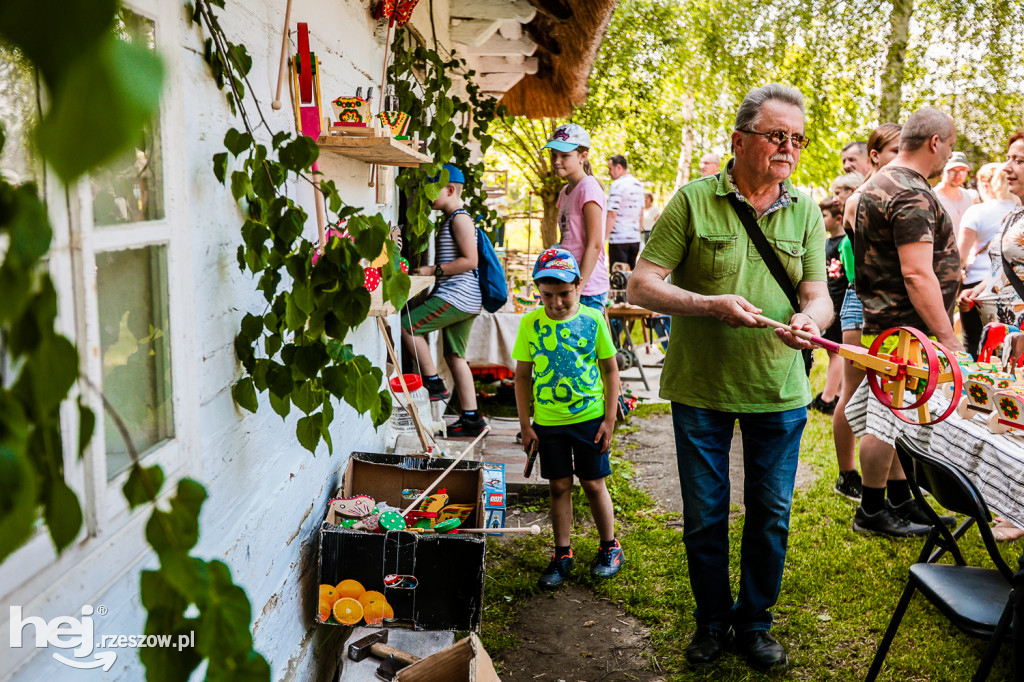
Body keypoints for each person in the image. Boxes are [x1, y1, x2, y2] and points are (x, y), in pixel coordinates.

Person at [627, 83, 832, 671]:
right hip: (702, 389)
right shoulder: (693, 201)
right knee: (705, 514)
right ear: (739, 141)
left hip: (780, 388)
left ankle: (756, 623)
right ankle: (711, 623)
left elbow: (818, 295)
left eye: (796, 139)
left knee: (771, 515)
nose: (787, 148)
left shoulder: (806, 211)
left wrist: (807, 320)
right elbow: (642, 285)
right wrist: (709, 304)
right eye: (776, 136)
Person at [853, 108, 964, 537]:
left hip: (891, 323)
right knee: (885, 418)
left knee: (899, 416)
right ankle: (873, 509)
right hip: (902, 327)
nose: (949, 154)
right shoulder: (910, 192)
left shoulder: (879, 182)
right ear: (935, 142)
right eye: (950, 145)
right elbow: (917, 273)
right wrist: (949, 338)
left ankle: (901, 498)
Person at [513, 248, 623, 588]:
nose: (556, 302)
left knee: (593, 483)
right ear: (537, 290)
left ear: (578, 285)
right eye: (547, 295)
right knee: (558, 485)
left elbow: (610, 370)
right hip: (548, 423)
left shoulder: (593, 320)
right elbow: (521, 377)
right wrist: (526, 425)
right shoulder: (530, 323)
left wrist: (609, 419)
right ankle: (562, 554)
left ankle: (609, 547)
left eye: (564, 293)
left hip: (589, 419)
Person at [831, 123, 902, 500]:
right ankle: (847, 474)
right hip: (862, 303)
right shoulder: (863, 197)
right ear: (874, 156)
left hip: (881, 305)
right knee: (854, 391)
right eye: (894, 152)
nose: (901, 160)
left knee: (889, 396)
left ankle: (896, 487)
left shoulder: (888, 192)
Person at [401, 164, 487, 438]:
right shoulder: (453, 219)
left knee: (408, 326)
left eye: (432, 188)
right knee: (455, 356)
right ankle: (472, 418)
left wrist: (432, 270)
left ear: (450, 190)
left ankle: (434, 384)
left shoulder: (460, 219)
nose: (427, 194)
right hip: (467, 299)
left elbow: (470, 261)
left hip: (458, 296)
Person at [956, 163, 1019, 357]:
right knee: (1008, 350)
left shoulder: (978, 211)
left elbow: (961, 255)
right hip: (1008, 288)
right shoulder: (1015, 211)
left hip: (979, 285)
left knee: (974, 344)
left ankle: (972, 385)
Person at [544, 124, 609, 310]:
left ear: (583, 156)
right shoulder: (565, 192)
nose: (557, 161)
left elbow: (595, 244)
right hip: (566, 285)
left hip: (587, 290)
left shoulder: (588, 188)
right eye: (554, 155)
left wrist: (578, 288)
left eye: (565, 156)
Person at [810, 197, 849, 415]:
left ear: (838, 219)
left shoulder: (845, 243)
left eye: (824, 215)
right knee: (832, 350)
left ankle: (828, 398)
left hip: (842, 305)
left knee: (837, 352)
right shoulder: (826, 243)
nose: (820, 218)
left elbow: (852, 276)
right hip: (829, 302)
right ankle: (837, 394)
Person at [605, 154, 645, 269]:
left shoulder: (617, 185)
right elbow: (641, 214)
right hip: (634, 240)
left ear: (618, 167)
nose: (609, 172)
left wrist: (603, 239)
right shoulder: (639, 185)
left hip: (619, 240)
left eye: (610, 168)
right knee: (629, 278)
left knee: (618, 280)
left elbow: (612, 214)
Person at [934, 151, 977, 237]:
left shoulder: (968, 196)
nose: (957, 175)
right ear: (942, 172)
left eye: (962, 171)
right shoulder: (933, 197)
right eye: (952, 171)